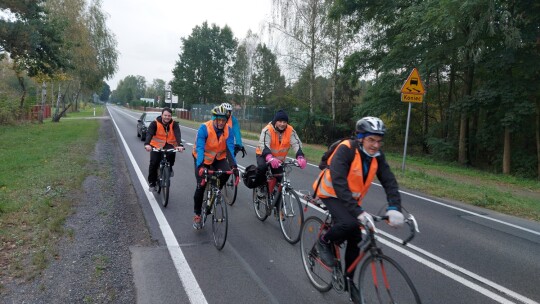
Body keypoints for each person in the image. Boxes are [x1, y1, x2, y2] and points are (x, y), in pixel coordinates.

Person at [313, 116, 405, 291]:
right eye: (371, 140)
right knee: (349, 223)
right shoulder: (346, 149)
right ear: (360, 138)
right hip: (330, 192)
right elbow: (339, 183)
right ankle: (324, 241)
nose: (376, 145)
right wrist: (358, 212)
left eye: (379, 141)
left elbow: (389, 182)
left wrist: (395, 208)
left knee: (356, 235)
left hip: (350, 200)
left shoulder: (377, 156)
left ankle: (349, 281)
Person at [192, 105, 238, 229]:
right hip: (202, 158)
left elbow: (229, 149)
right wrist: (201, 165)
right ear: (214, 119)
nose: (221, 122)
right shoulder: (204, 128)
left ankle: (216, 190)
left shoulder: (228, 130)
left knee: (227, 172)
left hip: (219, 158)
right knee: (200, 185)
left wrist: (235, 167)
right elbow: (200, 147)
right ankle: (197, 214)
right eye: (219, 120)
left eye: (224, 120)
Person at [255, 109, 307, 199]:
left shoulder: (290, 130)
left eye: (284, 122)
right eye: (280, 121)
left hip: (278, 160)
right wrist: (269, 157)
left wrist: (300, 156)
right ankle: (260, 186)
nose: (282, 124)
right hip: (263, 155)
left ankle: (279, 210)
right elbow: (264, 145)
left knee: (281, 183)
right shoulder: (267, 130)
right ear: (275, 121)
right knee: (262, 167)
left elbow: (296, 144)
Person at [144, 108, 185, 191]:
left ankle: (169, 168)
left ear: (171, 116)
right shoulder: (155, 123)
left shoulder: (174, 124)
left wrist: (180, 145)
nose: (167, 117)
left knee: (171, 155)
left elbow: (177, 134)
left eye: (169, 115)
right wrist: (147, 144)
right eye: (165, 115)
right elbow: (149, 133)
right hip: (156, 145)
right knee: (154, 162)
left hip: (169, 145)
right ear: (162, 115)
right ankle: (152, 183)